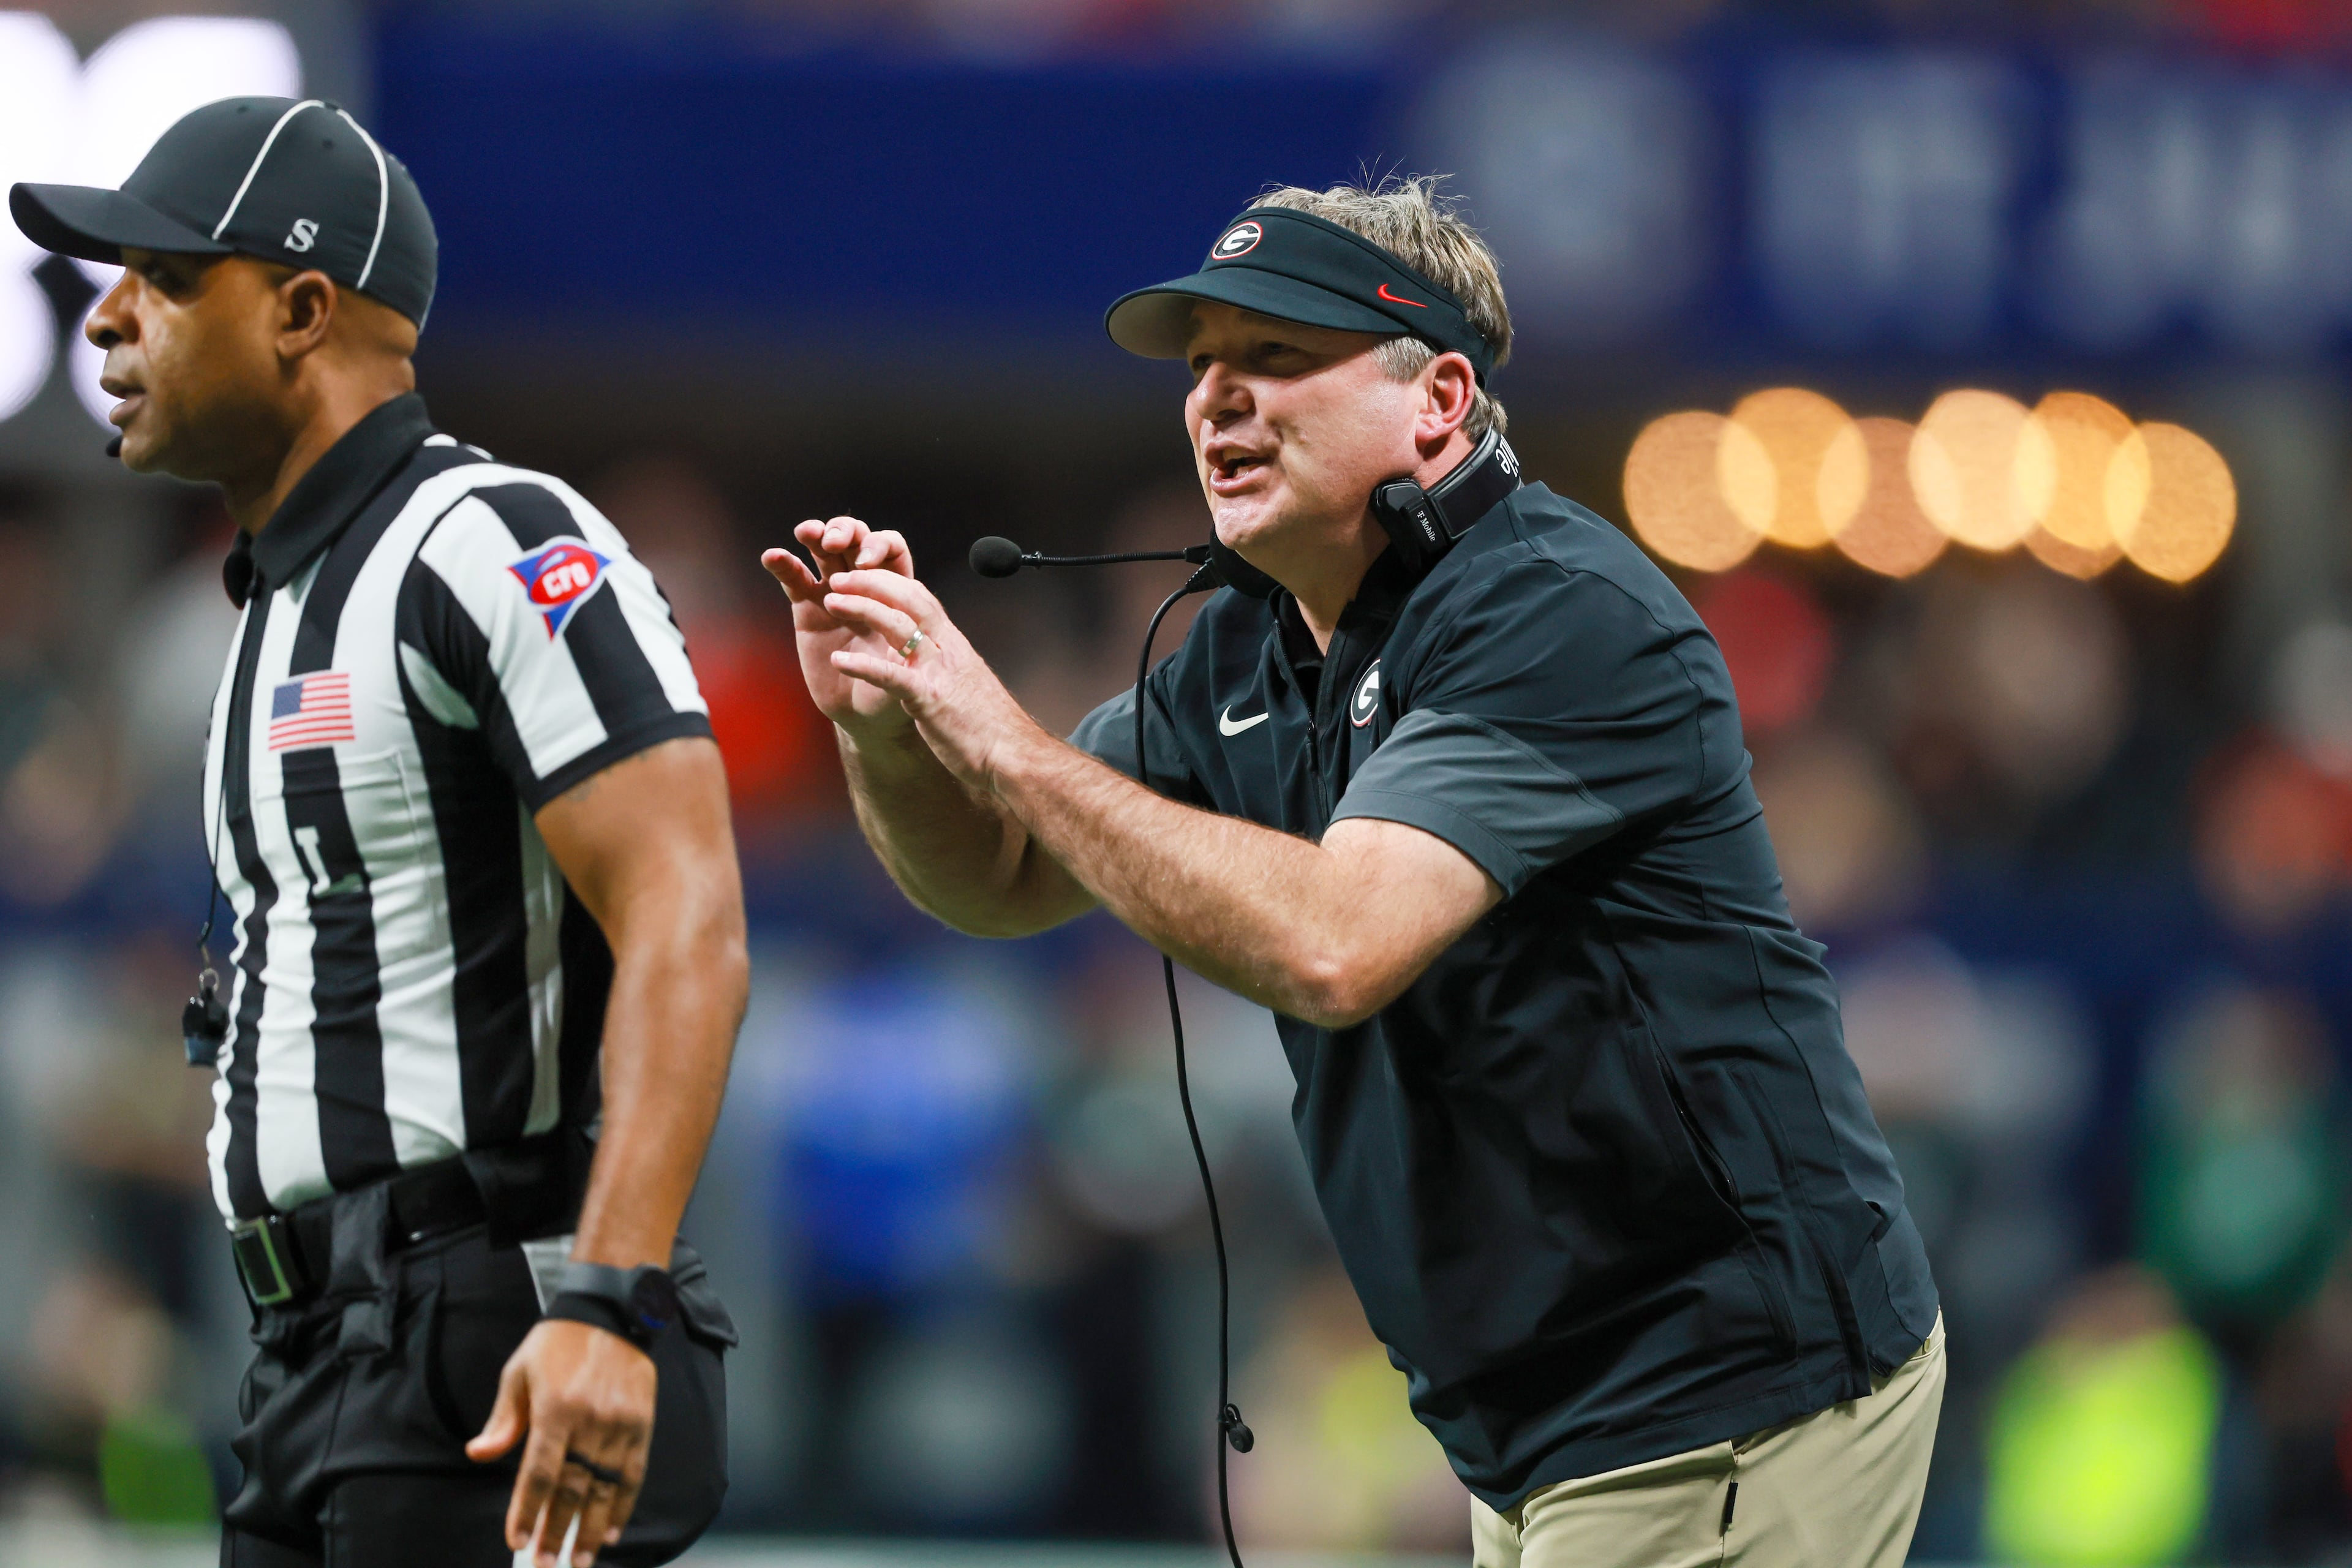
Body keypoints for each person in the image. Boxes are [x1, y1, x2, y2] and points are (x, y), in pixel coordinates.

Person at [765, 178, 1943, 1567]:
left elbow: (1340, 944)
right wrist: (889, 725)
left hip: (1732, 1396)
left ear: (1440, 398)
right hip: (1537, 1425)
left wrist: (1008, 741)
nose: (1215, 400)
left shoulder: (1557, 610)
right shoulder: (1242, 651)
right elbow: (998, 879)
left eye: (1276, 356)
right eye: (1202, 365)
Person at [11, 97, 745, 1568]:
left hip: (485, 1332)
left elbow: (689, 914)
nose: (107, 323)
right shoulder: (270, 610)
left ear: (299, 307)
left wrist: (607, 1300)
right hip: (310, 1350)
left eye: (162, 277)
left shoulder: (497, 539)